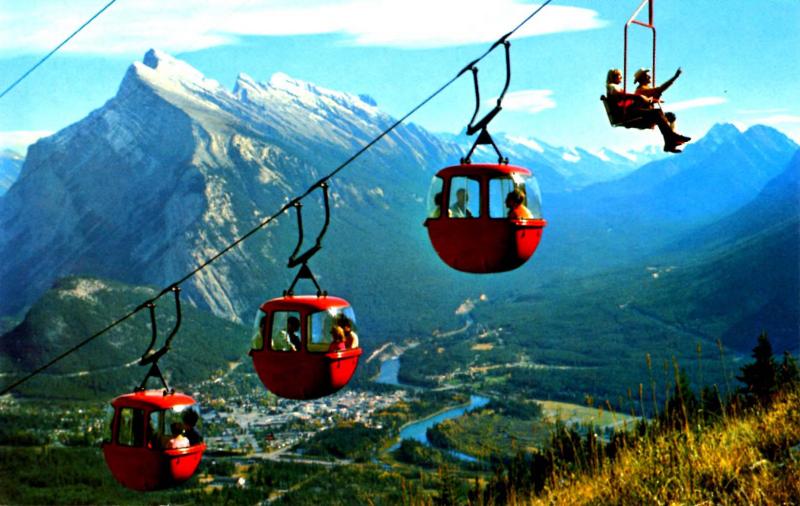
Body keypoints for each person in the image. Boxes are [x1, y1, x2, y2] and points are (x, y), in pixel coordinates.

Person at [605, 68, 690, 153]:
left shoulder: (616, 87)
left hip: (634, 113)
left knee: (669, 116)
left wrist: (651, 100)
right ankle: (671, 138)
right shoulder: (613, 87)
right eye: (618, 75)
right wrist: (639, 97)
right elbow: (619, 96)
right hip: (630, 114)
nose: (621, 77)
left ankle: (670, 141)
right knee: (657, 113)